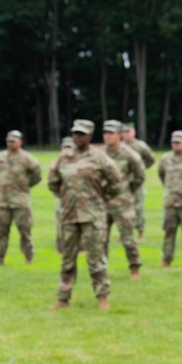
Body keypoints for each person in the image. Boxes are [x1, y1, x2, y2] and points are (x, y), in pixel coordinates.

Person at [48, 119, 122, 310]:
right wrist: (66, 197)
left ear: (90, 135)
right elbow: (53, 183)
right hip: (69, 215)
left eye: (82, 134)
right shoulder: (64, 158)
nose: (78, 137)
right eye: (75, 133)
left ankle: (102, 297)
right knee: (67, 259)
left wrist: (100, 197)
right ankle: (63, 298)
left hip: (93, 216)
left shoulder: (99, 157)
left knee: (96, 258)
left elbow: (116, 182)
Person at [101, 120, 146, 280]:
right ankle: (102, 269)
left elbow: (140, 176)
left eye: (111, 134)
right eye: (105, 133)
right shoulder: (99, 154)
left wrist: (127, 190)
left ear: (119, 135)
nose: (108, 137)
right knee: (101, 239)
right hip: (102, 203)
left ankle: (134, 268)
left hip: (122, 203)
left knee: (128, 239)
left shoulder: (129, 155)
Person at [0, 130, 42, 265]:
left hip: (20, 201)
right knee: (1, 230)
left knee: (25, 231)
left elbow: (37, 175)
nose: (11, 143)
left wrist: (25, 186)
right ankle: (0, 258)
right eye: (9, 141)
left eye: (14, 141)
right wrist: (2, 185)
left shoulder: (27, 159)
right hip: (3, 201)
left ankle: (28, 258)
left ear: (20, 142)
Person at [157, 130, 182, 266]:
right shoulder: (165, 158)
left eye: (178, 142)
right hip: (170, 201)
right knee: (169, 231)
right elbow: (161, 175)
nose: (175, 145)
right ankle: (166, 258)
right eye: (174, 142)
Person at [122, 122, 156, 241]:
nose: (126, 135)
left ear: (134, 132)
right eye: (124, 132)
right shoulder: (120, 146)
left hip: (137, 181)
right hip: (123, 183)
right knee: (123, 208)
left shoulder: (140, 146)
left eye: (128, 132)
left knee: (138, 207)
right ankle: (125, 233)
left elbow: (151, 159)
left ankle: (140, 233)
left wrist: (140, 169)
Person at [52, 136, 74, 252]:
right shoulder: (57, 162)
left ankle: (79, 247)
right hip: (61, 196)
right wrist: (60, 194)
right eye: (65, 147)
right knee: (60, 222)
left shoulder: (78, 161)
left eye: (69, 147)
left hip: (76, 198)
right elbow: (52, 182)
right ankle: (60, 246)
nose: (67, 150)